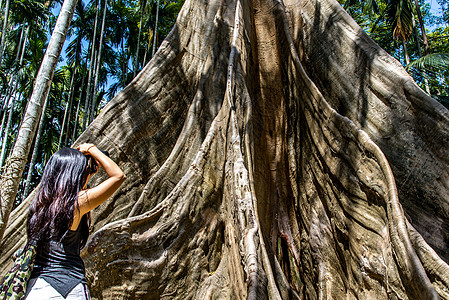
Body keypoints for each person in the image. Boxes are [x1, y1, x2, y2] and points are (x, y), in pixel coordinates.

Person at [25, 143, 126, 299]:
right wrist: (92, 149)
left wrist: (89, 172)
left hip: (36, 288)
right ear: (74, 173)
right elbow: (118, 176)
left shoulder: (39, 207)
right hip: (68, 287)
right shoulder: (76, 204)